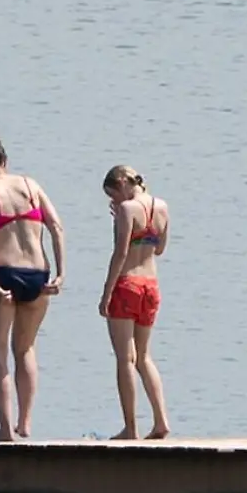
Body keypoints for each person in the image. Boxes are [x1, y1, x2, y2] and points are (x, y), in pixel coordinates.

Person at [0, 135, 65, 441]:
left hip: (4, 272)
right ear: (4, 161)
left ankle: (6, 430)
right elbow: (56, 226)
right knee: (25, 348)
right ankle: (25, 423)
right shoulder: (30, 185)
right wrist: (60, 273)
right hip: (38, 274)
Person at [98, 165, 171, 440]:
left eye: (113, 195)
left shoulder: (127, 210)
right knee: (144, 356)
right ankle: (161, 421)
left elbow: (120, 253)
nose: (114, 202)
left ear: (122, 183)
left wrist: (106, 294)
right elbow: (159, 249)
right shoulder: (161, 206)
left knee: (124, 359)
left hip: (127, 284)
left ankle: (131, 428)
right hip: (151, 285)